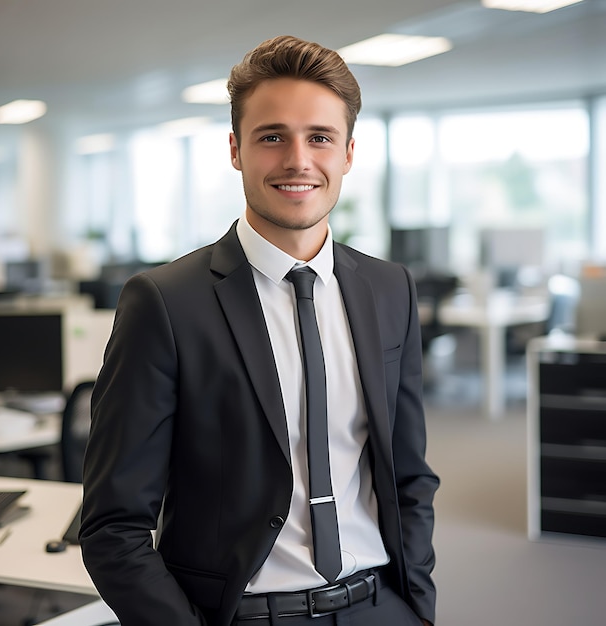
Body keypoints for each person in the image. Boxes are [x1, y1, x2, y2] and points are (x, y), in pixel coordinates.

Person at [80, 35, 439, 626]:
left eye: (319, 137)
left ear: (347, 153)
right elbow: (113, 525)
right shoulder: (166, 302)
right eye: (272, 136)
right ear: (236, 150)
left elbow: (409, 472)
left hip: (380, 604)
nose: (298, 159)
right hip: (247, 614)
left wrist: (418, 606)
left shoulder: (388, 288)